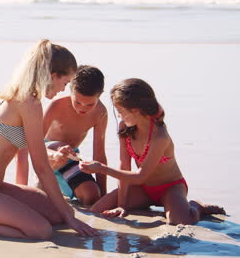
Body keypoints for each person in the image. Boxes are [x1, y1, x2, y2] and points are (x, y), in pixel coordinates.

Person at [0, 39, 99, 239]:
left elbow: (20, 153)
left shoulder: (21, 95)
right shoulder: (28, 103)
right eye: (65, 83)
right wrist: (70, 218)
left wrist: (63, 214)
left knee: (57, 215)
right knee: (40, 230)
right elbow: (41, 166)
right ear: (52, 75)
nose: (63, 89)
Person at [79, 78, 225, 225]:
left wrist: (102, 168)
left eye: (121, 111)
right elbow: (125, 166)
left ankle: (195, 207)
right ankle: (146, 208)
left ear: (135, 109)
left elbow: (140, 176)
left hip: (170, 187)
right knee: (97, 209)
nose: (119, 116)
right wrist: (121, 205)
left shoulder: (159, 136)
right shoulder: (125, 128)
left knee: (180, 222)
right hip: (143, 189)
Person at [16, 65, 108, 205]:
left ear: (100, 95)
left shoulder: (101, 113)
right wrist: (53, 154)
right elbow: (34, 144)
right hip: (48, 154)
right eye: (77, 102)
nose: (82, 108)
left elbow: (99, 155)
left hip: (71, 157)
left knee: (92, 195)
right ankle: (41, 184)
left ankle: (60, 188)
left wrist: (103, 196)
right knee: (61, 147)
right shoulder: (56, 105)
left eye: (89, 105)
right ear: (70, 90)